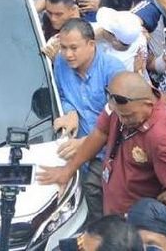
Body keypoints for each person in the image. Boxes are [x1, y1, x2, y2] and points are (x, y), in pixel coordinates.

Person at [38, 71, 166, 219]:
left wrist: (140, 226)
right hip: (111, 208)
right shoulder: (118, 105)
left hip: (130, 228)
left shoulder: (161, 137)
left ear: (148, 104)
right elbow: (100, 133)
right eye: (119, 115)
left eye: (129, 116)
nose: (122, 120)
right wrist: (68, 170)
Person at [51, 18, 126, 220]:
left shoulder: (114, 70)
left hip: (108, 153)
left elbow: (123, 120)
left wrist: (87, 144)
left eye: (74, 48)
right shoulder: (60, 62)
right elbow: (62, 95)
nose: (68, 54)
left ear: (91, 44)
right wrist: (70, 112)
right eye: (64, 47)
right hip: (74, 149)